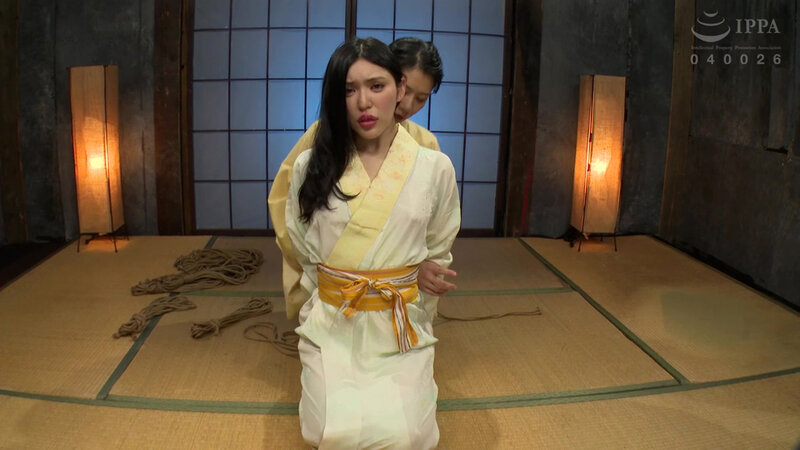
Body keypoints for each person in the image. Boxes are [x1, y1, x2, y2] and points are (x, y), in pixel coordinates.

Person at [285, 37, 460, 448]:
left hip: (397, 322)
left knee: (410, 435)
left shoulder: (433, 164)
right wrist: (330, 286)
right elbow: (301, 241)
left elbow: (437, 240)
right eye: (349, 90)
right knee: (329, 431)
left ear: (398, 87)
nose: (364, 102)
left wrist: (420, 269)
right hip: (335, 319)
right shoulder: (313, 163)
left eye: (376, 86)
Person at [269, 37, 457, 322]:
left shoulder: (427, 147)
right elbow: (291, 204)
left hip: (395, 294)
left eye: (421, 98)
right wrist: (320, 271)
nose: (407, 104)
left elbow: (434, 227)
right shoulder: (325, 138)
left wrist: (413, 271)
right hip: (337, 287)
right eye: (406, 90)